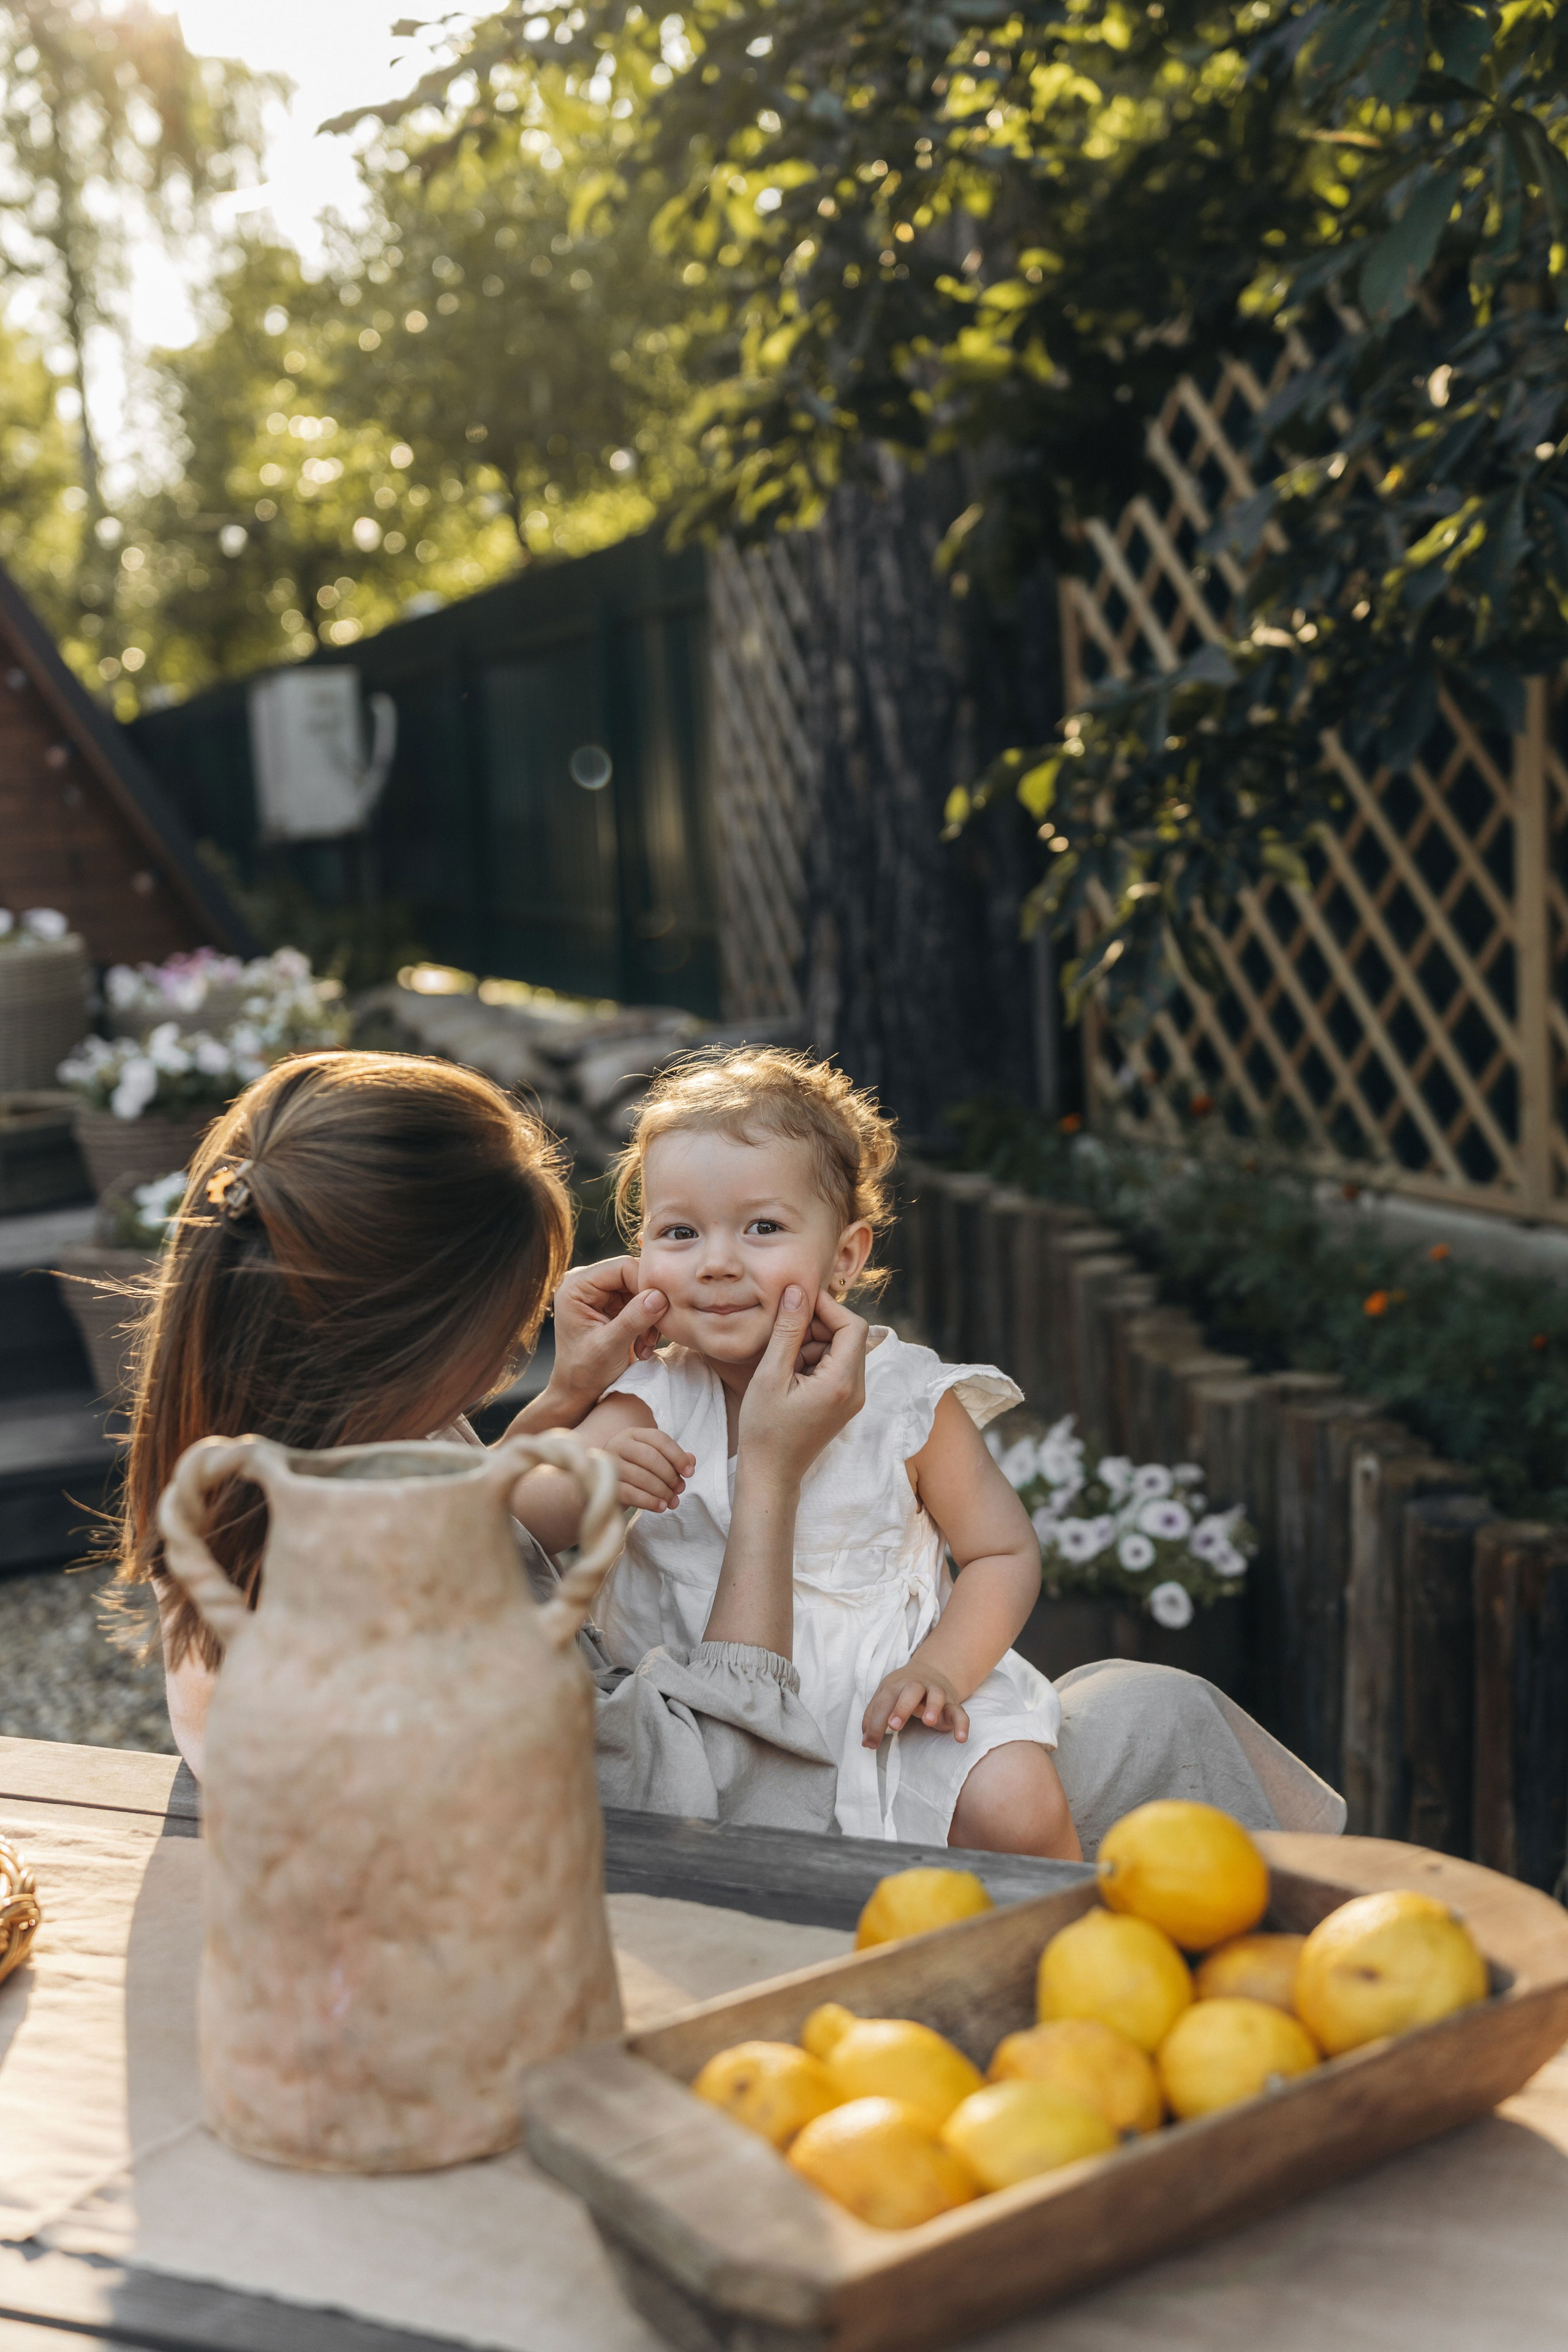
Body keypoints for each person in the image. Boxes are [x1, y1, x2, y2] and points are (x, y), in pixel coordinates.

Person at [116, 1046, 1344, 1856]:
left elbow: (493, 1501)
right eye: (502, 1334)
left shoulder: (306, 1484)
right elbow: (707, 1786)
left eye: (760, 1228)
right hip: (725, 1849)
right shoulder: (392, 1618)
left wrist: (561, 1400)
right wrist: (765, 1473)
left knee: (1140, 1718)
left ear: (847, 1252)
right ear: (403, 1345)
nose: (512, 1364)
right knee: (1155, 1728)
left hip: (821, 1743)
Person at [510, 1047, 1077, 1856]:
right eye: (680, 1231)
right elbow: (518, 1528)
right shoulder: (650, 1398)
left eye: (763, 1228)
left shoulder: (905, 1398)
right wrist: (590, 1470)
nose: (716, 1261)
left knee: (1015, 1801)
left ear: (844, 1257)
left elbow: (1002, 1551)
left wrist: (945, 1671)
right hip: (716, 1722)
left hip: (898, 1695)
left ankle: (1076, 1942)